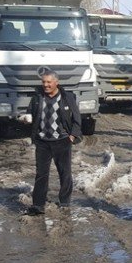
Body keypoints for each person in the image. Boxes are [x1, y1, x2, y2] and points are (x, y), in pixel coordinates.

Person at [26, 69, 82, 216]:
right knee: (41, 174)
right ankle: (38, 205)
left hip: (62, 141)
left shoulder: (67, 97)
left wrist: (73, 136)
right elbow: (30, 113)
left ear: (56, 82)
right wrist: (26, 119)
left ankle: (64, 201)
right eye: (43, 82)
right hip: (43, 142)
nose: (46, 85)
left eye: (49, 82)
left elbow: (77, 118)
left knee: (65, 173)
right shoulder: (38, 97)